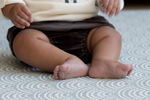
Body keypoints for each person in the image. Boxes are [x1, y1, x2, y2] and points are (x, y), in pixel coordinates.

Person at [0, 0, 133, 80]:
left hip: (87, 26)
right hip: (40, 28)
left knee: (110, 35)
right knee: (23, 41)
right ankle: (67, 61)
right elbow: (7, 3)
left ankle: (103, 61)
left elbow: (107, 3)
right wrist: (13, 9)